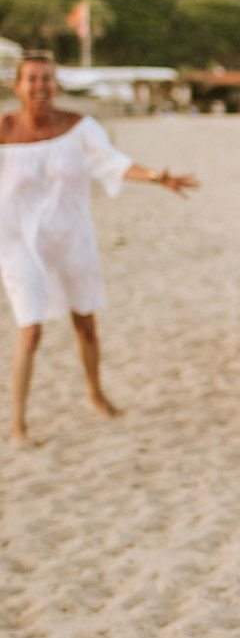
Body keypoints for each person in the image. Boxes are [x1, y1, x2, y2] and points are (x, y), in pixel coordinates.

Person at [1, 49, 197, 446]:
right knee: (30, 330)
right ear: (17, 85)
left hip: (72, 237)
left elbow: (114, 162)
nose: (41, 86)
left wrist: (157, 177)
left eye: (47, 78)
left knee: (85, 322)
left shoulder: (79, 127)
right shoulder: (3, 129)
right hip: (20, 243)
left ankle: (95, 392)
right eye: (32, 79)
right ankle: (18, 422)